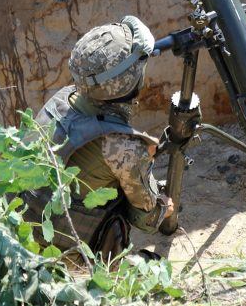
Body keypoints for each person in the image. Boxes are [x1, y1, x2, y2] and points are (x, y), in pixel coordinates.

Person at [31, 16, 173, 259]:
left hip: (24, 236)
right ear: (127, 82)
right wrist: (163, 206)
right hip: (64, 262)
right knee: (153, 264)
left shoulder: (61, 101)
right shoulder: (122, 146)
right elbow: (146, 219)